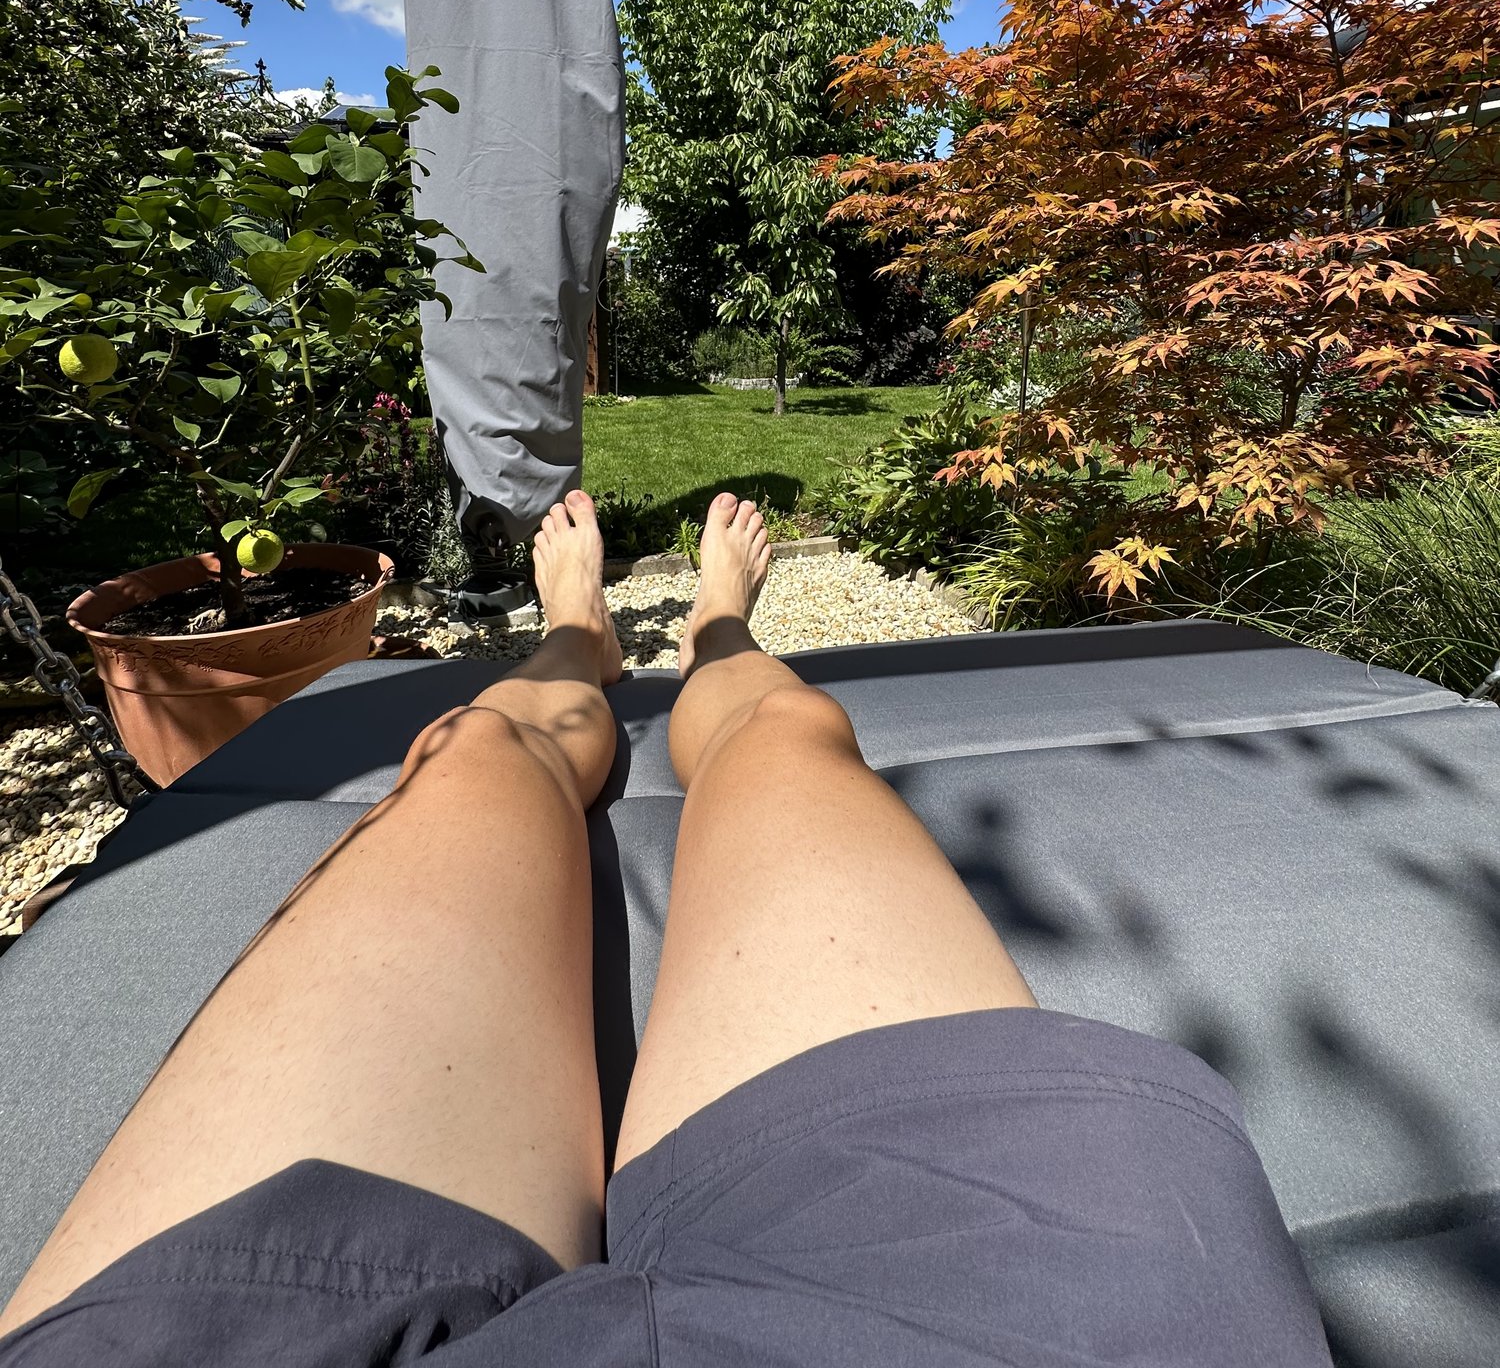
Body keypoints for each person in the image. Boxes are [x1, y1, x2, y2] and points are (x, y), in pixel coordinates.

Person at [0, 492, 1332, 1365]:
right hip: (1026, 1315)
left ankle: (592, 642)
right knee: (788, 731)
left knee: (478, 750)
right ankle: (704, 635)